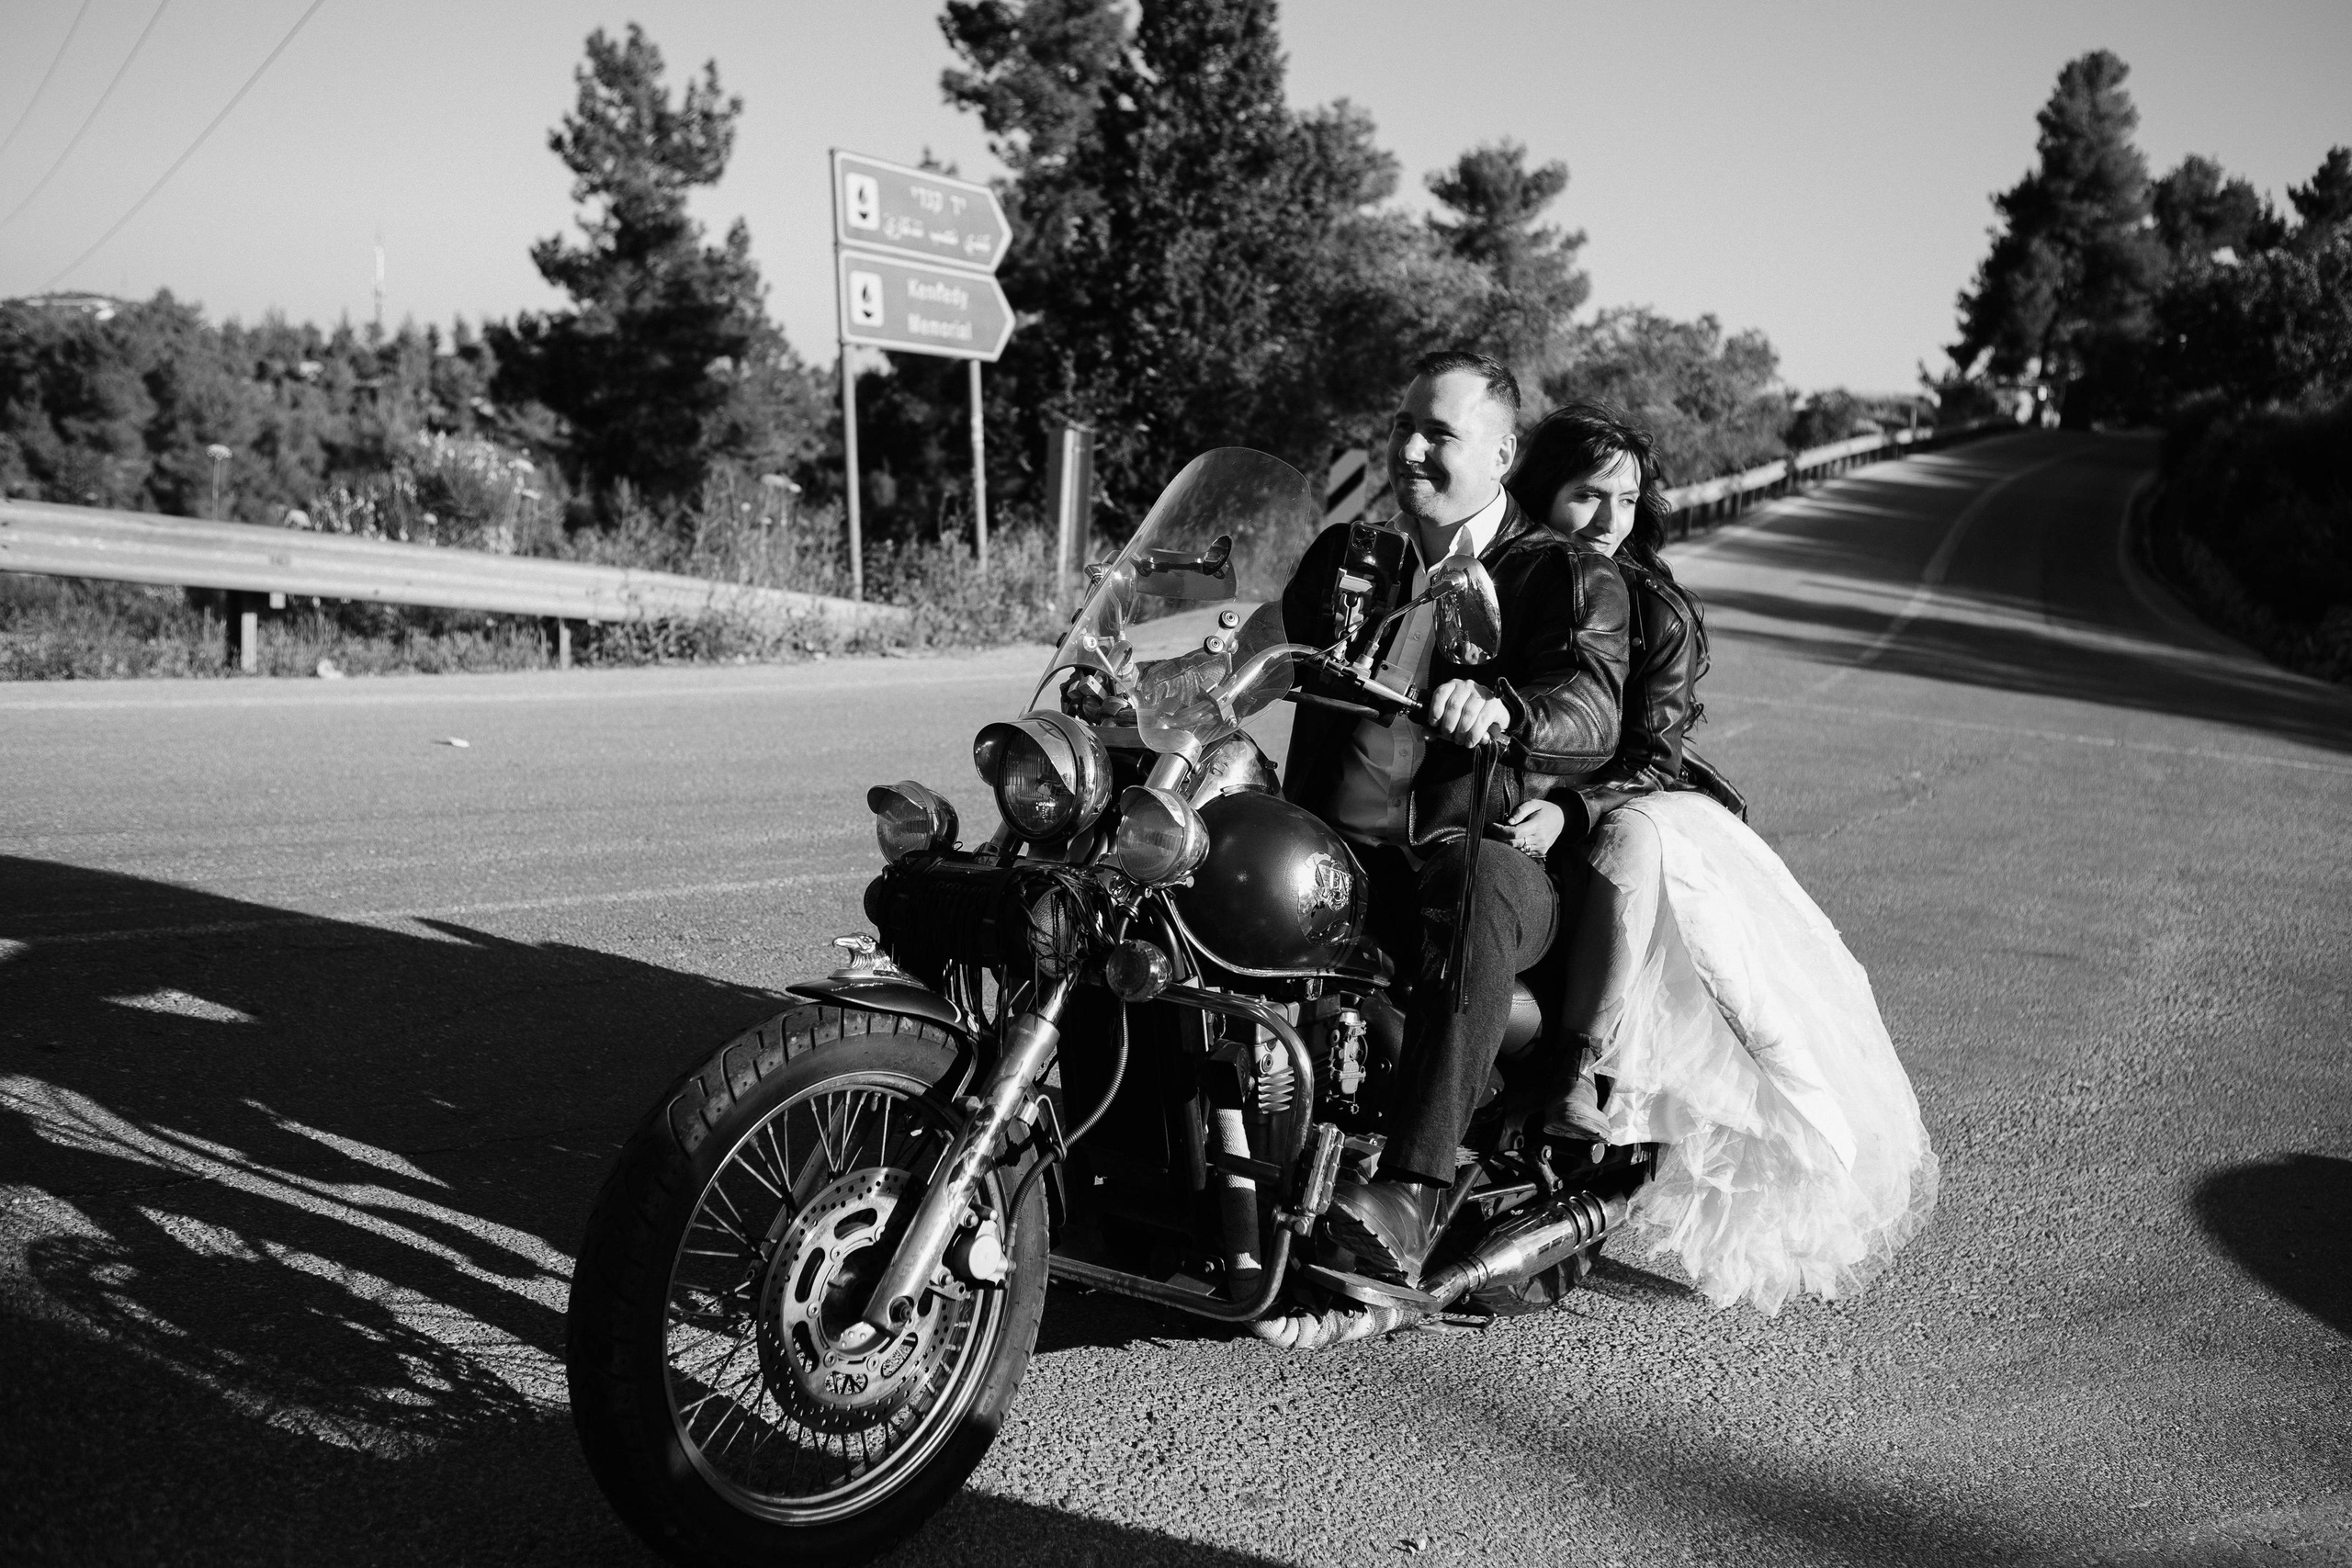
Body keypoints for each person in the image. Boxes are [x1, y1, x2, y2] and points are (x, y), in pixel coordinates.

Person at [1498, 401, 1939, 1314]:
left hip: (1629, 800)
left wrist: (1565, 811)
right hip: (1505, 784)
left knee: (1628, 849)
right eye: (1585, 495)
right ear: (1542, 489)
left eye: (1623, 499)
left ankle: (1575, 1068)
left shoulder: (1651, 607)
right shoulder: (1503, 574)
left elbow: (1649, 756)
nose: (1606, 519)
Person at [1275, 352, 1632, 1285]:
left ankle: (1411, 1189)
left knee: (1470, 880)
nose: (1410, 450)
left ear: (1504, 454)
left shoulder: (1562, 576)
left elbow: (1592, 711)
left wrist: (1510, 711)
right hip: (1333, 850)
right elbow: (1261, 649)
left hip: (1482, 852)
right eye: (1403, 426)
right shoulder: (1348, 558)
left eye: (1439, 433)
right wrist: (1153, 674)